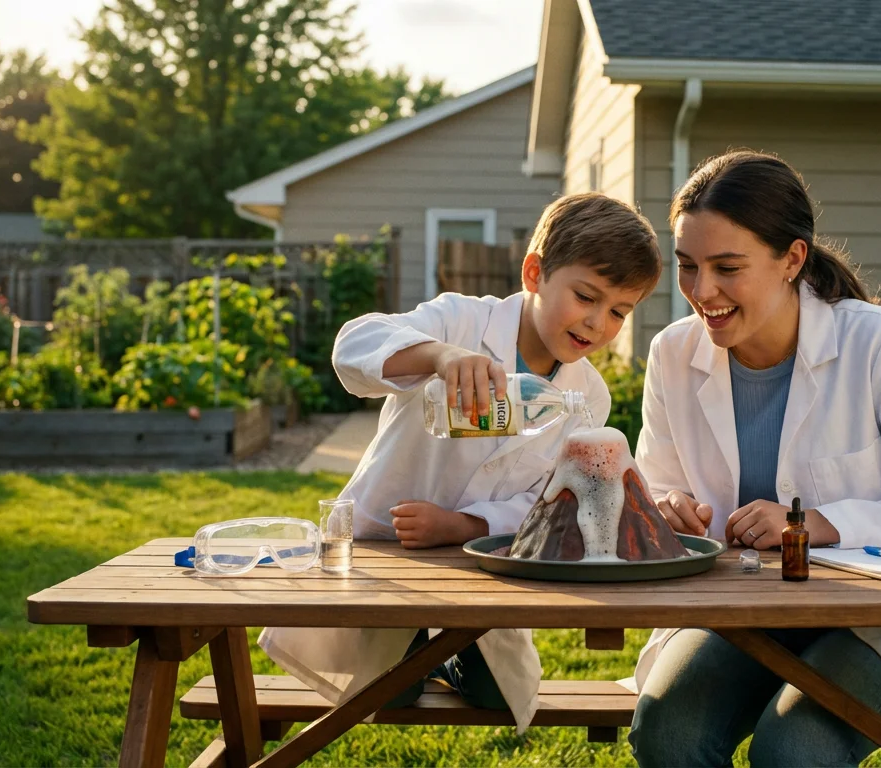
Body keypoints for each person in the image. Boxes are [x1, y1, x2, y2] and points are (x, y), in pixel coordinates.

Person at [628, 151, 881, 766]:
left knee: (795, 747)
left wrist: (817, 526)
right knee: (668, 731)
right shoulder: (673, 354)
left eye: (727, 267)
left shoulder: (879, 344)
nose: (702, 292)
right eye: (688, 266)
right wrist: (664, 510)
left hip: (876, 624)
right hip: (738, 613)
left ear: (792, 259)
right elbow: (658, 488)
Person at [259, 192, 663, 732]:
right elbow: (353, 347)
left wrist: (464, 525)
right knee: (387, 694)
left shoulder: (587, 396)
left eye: (618, 311)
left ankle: (447, 656)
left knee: (499, 695)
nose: (597, 323)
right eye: (586, 296)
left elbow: (548, 500)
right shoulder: (458, 322)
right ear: (535, 272)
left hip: (479, 564)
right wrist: (439, 356)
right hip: (389, 549)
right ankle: (408, 656)